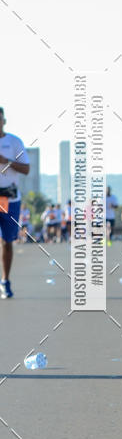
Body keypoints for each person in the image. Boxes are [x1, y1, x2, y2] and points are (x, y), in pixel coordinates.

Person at [0, 107, 30, 298]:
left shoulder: (14, 142)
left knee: (6, 241)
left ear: (4, 120)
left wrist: (6, 161)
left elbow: (26, 169)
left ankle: (5, 281)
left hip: (7, 198)